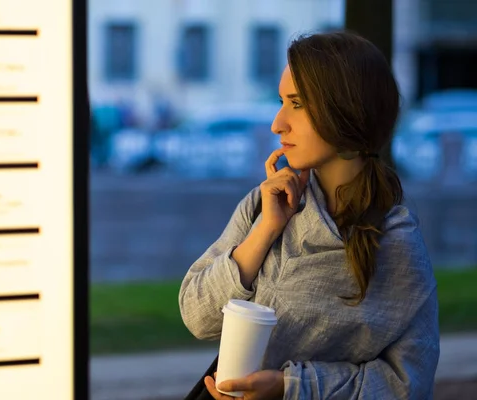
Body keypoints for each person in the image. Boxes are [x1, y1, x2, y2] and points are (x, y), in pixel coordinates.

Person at [178, 30, 439, 400]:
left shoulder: (396, 245)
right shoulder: (264, 204)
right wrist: (267, 228)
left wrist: (290, 386)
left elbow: (406, 385)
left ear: (344, 109)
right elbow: (197, 315)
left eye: (297, 104)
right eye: (281, 101)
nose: (277, 123)